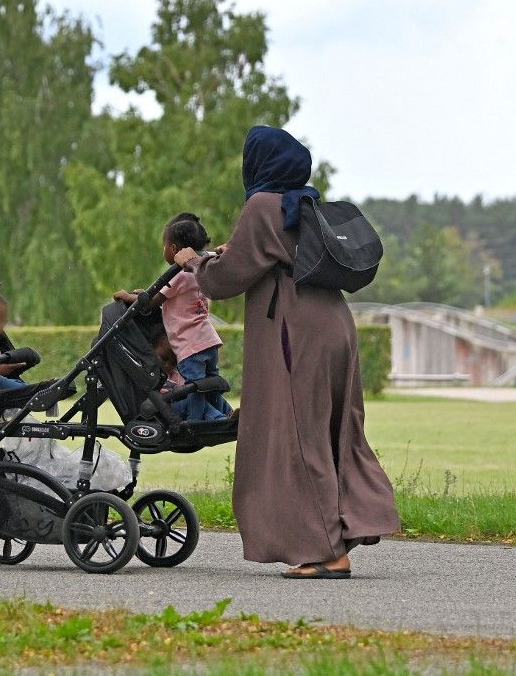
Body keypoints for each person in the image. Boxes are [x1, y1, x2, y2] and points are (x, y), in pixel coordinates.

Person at [171, 126, 400, 579]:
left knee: (298, 433)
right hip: (334, 325)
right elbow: (264, 255)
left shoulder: (261, 205)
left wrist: (193, 262)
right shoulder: (304, 203)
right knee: (333, 427)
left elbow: (225, 278)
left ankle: (326, 550)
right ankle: (347, 524)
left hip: (296, 331)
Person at [114, 213, 232, 421]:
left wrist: (127, 296)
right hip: (209, 341)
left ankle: (199, 422)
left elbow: (151, 301)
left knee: (192, 389)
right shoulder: (202, 269)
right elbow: (169, 299)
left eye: (165, 245)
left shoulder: (177, 275)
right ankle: (228, 413)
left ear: (174, 249)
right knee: (210, 386)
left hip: (189, 346)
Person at [153, 333, 232, 420]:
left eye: (173, 363)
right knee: (197, 403)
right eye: (163, 358)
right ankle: (220, 420)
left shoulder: (176, 374)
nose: (167, 365)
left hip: (180, 404)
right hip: (166, 408)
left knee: (211, 397)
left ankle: (231, 414)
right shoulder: (152, 375)